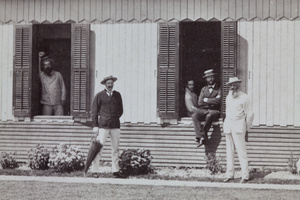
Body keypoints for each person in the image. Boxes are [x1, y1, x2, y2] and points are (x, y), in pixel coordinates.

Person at [91, 75, 126, 178]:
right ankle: (95, 171)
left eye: (111, 83)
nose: (110, 85)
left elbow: (120, 110)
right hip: (103, 126)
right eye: (108, 83)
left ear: (113, 84)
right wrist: (95, 125)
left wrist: (114, 117)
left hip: (115, 125)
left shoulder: (117, 95)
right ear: (105, 84)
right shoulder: (99, 96)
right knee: (99, 148)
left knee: (115, 149)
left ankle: (115, 170)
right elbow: (94, 112)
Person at [223, 77, 254, 184]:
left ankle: (245, 175)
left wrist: (247, 129)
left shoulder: (244, 97)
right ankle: (229, 175)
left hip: (239, 128)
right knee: (229, 152)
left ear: (239, 85)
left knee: (242, 152)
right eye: (231, 85)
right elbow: (227, 113)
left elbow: (249, 115)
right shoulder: (228, 97)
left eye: (235, 84)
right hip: (229, 127)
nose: (233, 87)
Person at [192, 69, 221, 147]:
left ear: (214, 77)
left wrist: (207, 100)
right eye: (208, 77)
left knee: (209, 115)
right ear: (206, 79)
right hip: (205, 110)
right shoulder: (204, 89)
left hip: (215, 111)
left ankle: (203, 134)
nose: (210, 79)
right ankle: (199, 136)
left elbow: (218, 101)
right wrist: (212, 101)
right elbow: (200, 102)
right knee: (194, 115)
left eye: (211, 77)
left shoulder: (219, 88)